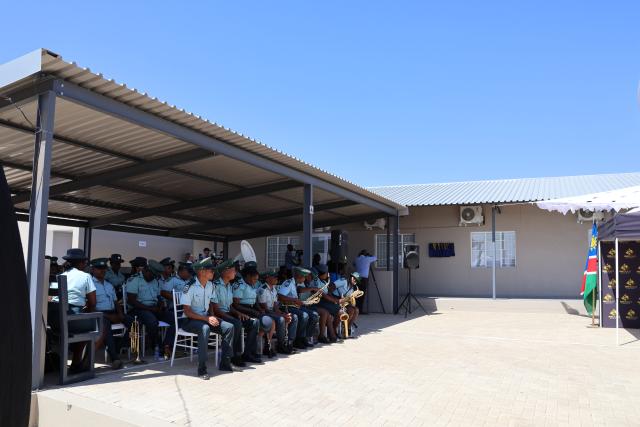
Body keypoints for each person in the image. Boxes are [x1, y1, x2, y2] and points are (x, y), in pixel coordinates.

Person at [181, 257, 235, 379]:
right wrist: (207, 319)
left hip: (205, 318)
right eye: (210, 270)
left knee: (229, 327)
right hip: (189, 320)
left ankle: (225, 363)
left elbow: (211, 302)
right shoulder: (189, 287)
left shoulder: (210, 285)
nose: (213, 272)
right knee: (205, 329)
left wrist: (211, 315)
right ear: (201, 272)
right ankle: (202, 369)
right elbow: (187, 312)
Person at [210, 260, 262, 366]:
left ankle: (247, 354)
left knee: (254, 323)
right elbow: (216, 310)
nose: (235, 273)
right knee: (236, 323)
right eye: (233, 270)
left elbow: (230, 306)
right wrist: (234, 317)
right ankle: (234, 355)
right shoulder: (215, 286)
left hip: (229, 312)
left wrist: (238, 313)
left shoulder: (228, 285)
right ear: (225, 272)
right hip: (220, 314)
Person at [126, 260, 175, 359]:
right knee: (152, 322)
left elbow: (158, 296)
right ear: (146, 270)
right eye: (152, 275)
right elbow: (132, 301)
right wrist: (150, 308)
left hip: (153, 308)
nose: (153, 277)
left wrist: (161, 304)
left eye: (155, 275)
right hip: (138, 309)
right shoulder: (135, 280)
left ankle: (167, 345)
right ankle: (157, 345)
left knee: (175, 319)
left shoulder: (154, 281)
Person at [59, 248, 97, 372]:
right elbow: (93, 302)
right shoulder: (86, 276)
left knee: (83, 323)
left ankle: (76, 362)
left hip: (57, 319)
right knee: (94, 328)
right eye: (85, 262)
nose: (86, 264)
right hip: (72, 320)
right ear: (81, 263)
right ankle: (77, 363)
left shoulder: (60, 276)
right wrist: (88, 312)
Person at [90, 258, 131, 369]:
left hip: (113, 311)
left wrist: (120, 313)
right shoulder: (90, 284)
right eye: (99, 269)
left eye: (104, 269)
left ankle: (118, 346)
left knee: (133, 322)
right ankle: (115, 358)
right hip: (99, 314)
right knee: (106, 327)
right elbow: (90, 307)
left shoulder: (109, 285)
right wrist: (108, 316)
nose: (102, 271)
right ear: (93, 269)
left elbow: (115, 302)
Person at [232, 262, 276, 358]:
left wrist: (259, 309)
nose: (255, 281)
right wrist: (252, 311)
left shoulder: (251, 285)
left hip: (252, 309)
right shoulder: (239, 285)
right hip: (242, 310)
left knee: (270, 321)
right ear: (248, 276)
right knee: (257, 323)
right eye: (254, 279)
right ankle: (248, 353)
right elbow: (236, 304)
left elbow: (254, 300)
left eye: (257, 280)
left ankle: (265, 348)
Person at [278, 266, 319, 349]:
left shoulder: (296, 283)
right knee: (304, 315)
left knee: (314, 315)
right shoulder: (288, 283)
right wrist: (294, 300)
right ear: (299, 276)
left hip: (295, 306)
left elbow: (300, 290)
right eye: (304, 277)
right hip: (287, 307)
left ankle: (305, 337)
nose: (305, 278)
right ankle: (298, 339)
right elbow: (280, 296)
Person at [258, 270, 297, 354]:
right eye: (274, 277)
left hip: (272, 311)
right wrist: (280, 315)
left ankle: (288, 343)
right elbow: (265, 308)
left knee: (290, 317)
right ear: (268, 278)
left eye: (276, 277)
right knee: (281, 319)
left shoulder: (274, 289)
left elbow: (275, 307)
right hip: (265, 312)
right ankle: (280, 345)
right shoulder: (263, 289)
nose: (276, 279)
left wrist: (283, 314)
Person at [354, 250, 377, 314]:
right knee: (362, 294)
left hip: (357, 277)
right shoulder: (367, 259)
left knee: (356, 294)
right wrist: (370, 255)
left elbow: (354, 264)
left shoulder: (357, 259)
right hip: (364, 278)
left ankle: (356, 309)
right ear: (365, 254)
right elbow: (375, 258)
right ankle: (360, 310)